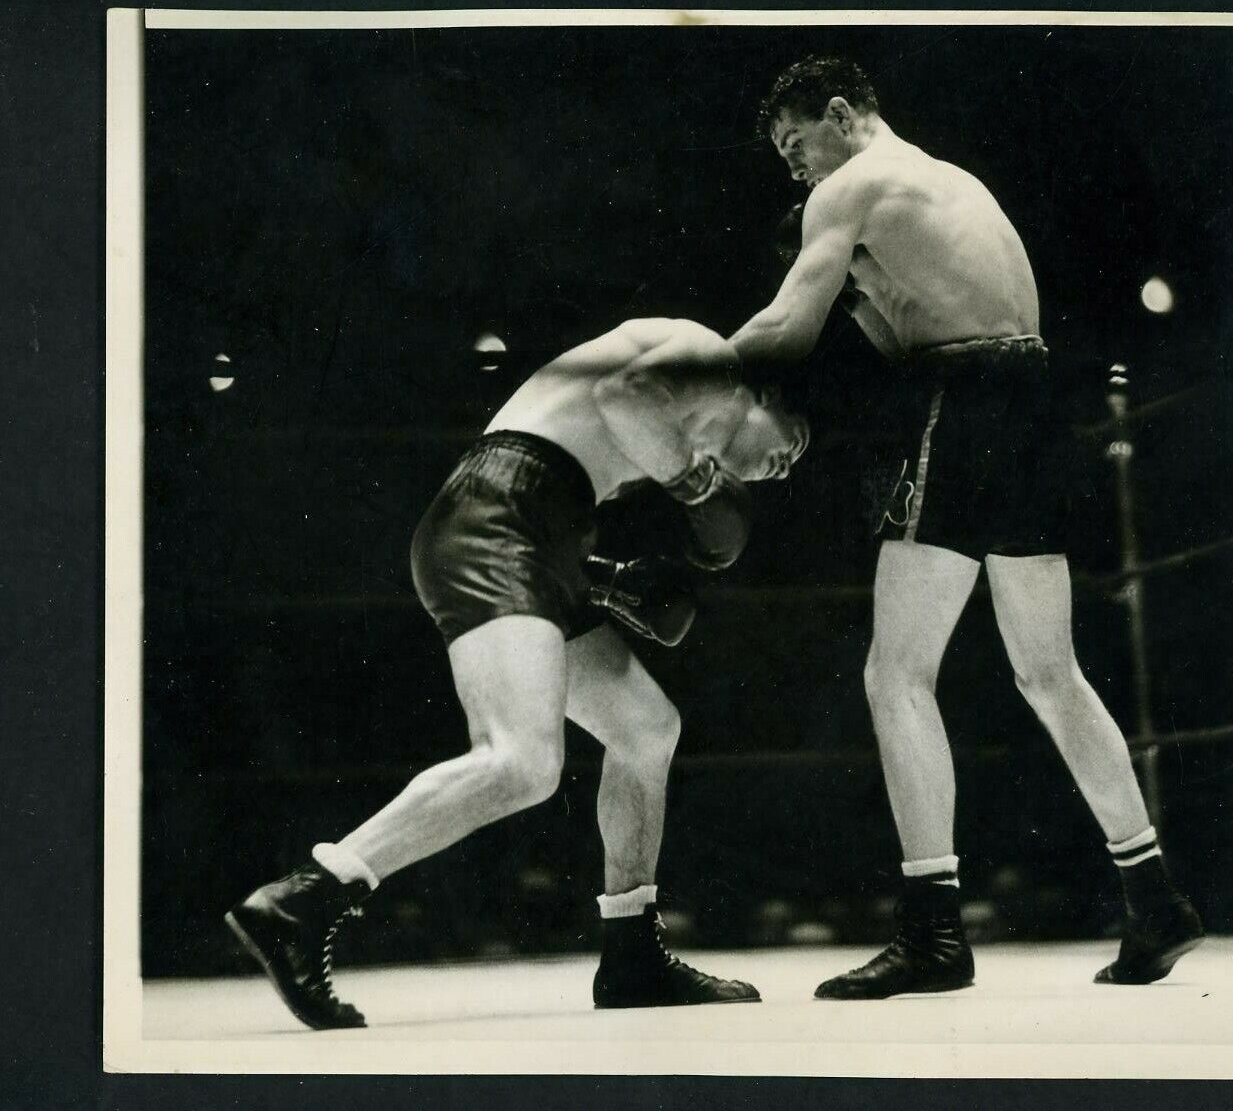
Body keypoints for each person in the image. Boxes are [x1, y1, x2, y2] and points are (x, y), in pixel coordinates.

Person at [730, 56, 1203, 999]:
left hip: (962, 405)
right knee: (1047, 670)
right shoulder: (946, 182)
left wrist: (664, 369)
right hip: (1031, 401)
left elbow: (788, 325)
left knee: (894, 673)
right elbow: (898, 321)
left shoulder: (852, 184)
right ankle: (1153, 896)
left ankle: (932, 933)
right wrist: (866, 295)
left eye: (794, 144)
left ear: (836, 115)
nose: (793, 169)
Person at [225, 317, 809, 1029]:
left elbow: (572, 468)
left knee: (645, 727)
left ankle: (631, 951)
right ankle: (306, 896)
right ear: (765, 394)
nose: (788, 465)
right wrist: (692, 486)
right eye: (794, 439)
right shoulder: (712, 357)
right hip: (501, 517)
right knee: (521, 761)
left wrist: (599, 578)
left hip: (537, 529)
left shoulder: (667, 422)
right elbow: (622, 396)